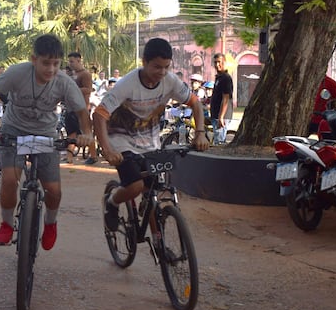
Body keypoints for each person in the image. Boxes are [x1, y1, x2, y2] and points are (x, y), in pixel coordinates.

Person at [0, 34, 93, 250]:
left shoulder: (64, 82)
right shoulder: (18, 73)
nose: (50, 69)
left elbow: (81, 111)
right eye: (45, 63)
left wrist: (86, 132)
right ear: (34, 59)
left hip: (44, 135)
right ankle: (6, 223)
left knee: (53, 190)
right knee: (10, 180)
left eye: (56, 64)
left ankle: (50, 224)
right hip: (14, 130)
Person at [94, 37, 209, 230]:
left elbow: (195, 103)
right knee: (136, 186)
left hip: (151, 143)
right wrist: (106, 149)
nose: (162, 73)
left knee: (152, 193)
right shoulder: (127, 84)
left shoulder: (170, 81)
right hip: (122, 141)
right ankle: (112, 202)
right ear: (144, 62)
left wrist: (200, 133)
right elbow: (99, 114)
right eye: (157, 67)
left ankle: (159, 244)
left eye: (166, 67)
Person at [67, 51, 98, 164]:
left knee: (86, 132)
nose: (70, 64)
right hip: (71, 108)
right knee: (71, 133)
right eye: (69, 61)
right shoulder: (71, 74)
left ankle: (93, 156)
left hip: (83, 107)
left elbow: (88, 89)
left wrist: (73, 91)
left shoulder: (85, 74)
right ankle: (69, 156)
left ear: (79, 61)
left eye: (72, 61)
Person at [209, 53, 233, 145]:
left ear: (224, 62)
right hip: (215, 115)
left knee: (219, 144)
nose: (217, 65)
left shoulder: (226, 78)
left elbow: (225, 98)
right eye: (215, 62)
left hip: (222, 116)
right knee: (216, 141)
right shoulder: (219, 78)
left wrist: (221, 117)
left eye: (219, 62)